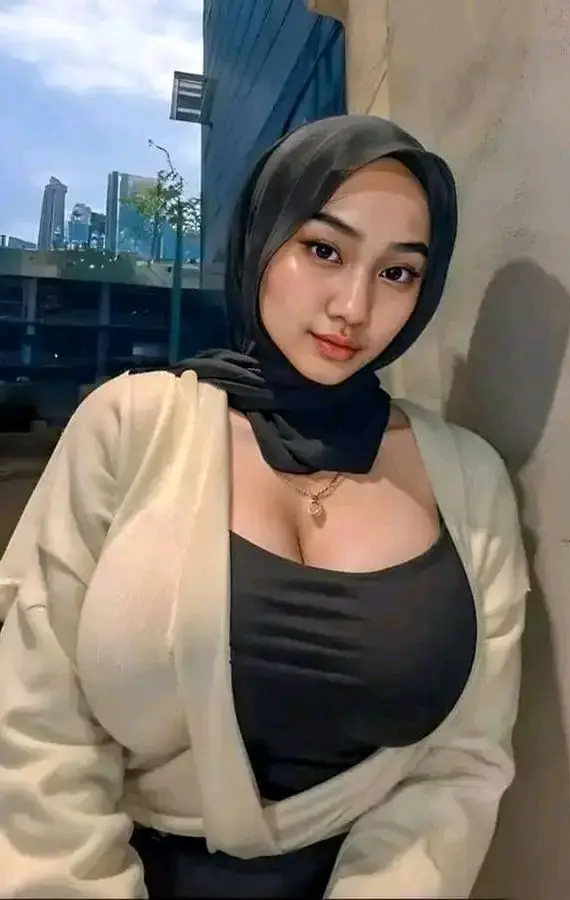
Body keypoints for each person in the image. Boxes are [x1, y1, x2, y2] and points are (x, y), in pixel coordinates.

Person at [0, 115, 529, 899]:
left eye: (397, 272)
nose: (353, 306)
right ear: (262, 240)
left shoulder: (469, 478)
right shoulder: (134, 426)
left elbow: (462, 761)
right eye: (324, 250)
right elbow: (36, 721)